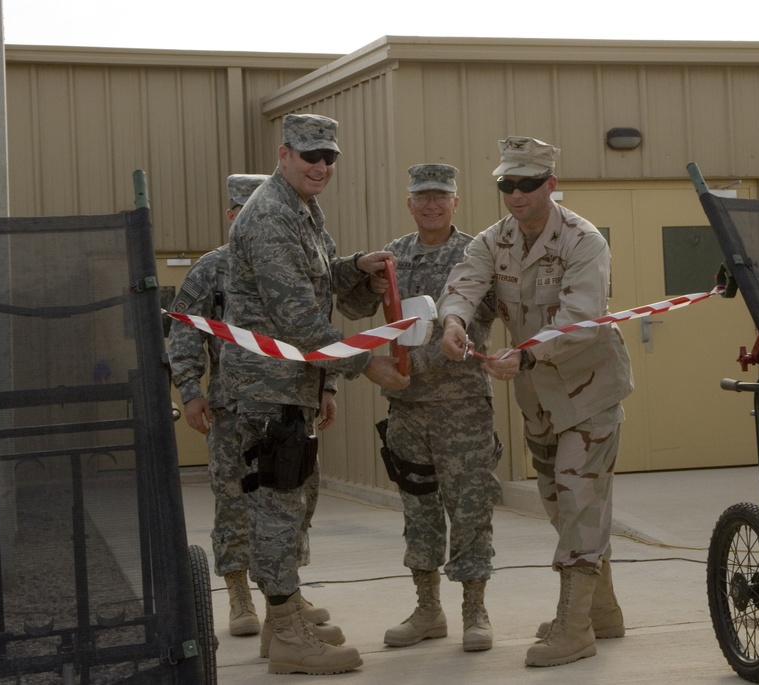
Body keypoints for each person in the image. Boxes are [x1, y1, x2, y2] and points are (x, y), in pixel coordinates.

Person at [220, 113, 409, 676]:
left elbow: (319, 278)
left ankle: (283, 619)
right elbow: (300, 318)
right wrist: (365, 364)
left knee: (293, 498)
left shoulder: (301, 208)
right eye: (309, 156)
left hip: (292, 386)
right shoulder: (272, 217)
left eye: (329, 157)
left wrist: (356, 267)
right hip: (266, 388)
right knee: (276, 503)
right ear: (283, 156)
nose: (321, 166)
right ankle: (287, 637)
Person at [437, 136, 634, 668]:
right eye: (507, 184)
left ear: (550, 184)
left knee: (577, 498)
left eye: (527, 184)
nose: (516, 194)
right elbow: (463, 284)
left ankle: (574, 627)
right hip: (539, 400)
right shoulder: (491, 240)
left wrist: (523, 358)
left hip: (588, 390)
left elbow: (581, 316)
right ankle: (604, 610)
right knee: (559, 502)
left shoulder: (582, 240)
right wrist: (453, 321)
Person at [337, 164, 501, 652]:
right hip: (408, 403)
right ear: (409, 203)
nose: (431, 204)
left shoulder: (476, 253)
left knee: (470, 505)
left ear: (455, 203)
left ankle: (475, 609)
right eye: (422, 197)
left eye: (441, 196)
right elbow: (352, 310)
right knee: (419, 508)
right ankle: (428, 609)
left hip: (462, 401)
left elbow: (493, 306)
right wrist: (366, 280)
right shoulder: (393, 256)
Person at [169, 173, 329, 642]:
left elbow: (318, 323)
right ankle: (240, 594)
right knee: (235, 497)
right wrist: (190, 390)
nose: (250, 220)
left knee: (294, 495)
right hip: (231, 405)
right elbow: (184, 329)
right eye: (241, 211)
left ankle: (286, 597)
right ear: (230, 215)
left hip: (290, 400)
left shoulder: (295, 259)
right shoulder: (212, 269)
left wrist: (329, 386)